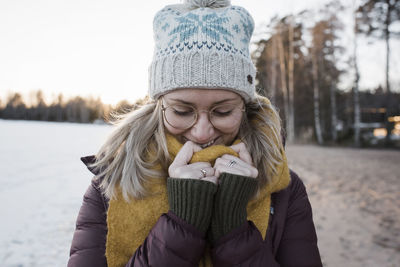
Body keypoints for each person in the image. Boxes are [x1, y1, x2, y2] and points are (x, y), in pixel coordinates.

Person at [68, 0, 322, 266]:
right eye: (181, 111)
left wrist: (233, 230)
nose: (201, 133)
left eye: (222, 112)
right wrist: (182, 224)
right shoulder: (113, 183)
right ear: (159, 107)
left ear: (244, 109)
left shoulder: (283, 190)